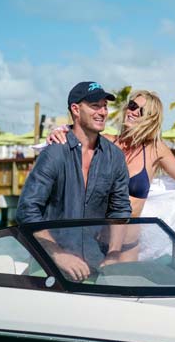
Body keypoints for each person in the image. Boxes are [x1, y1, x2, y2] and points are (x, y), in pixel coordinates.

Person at [48, 89, 175, 254]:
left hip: (128, 247)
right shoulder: (105, 142)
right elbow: (75, 134)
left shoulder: (155, 149)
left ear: (151, 118)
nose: (134, 112)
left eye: (142, 111)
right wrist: (58, 132)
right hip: (95, 241)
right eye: (132, 105)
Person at [18, 81, 132, 281]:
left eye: (105, 106)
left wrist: (114, 254)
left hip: (95, 263)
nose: (103, 112)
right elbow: (27, 210)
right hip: (48, 264)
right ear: (76, 110)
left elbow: (120, 210)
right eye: (95, 106)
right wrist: (58, 255)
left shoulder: (114, 156)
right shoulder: (54, 152)